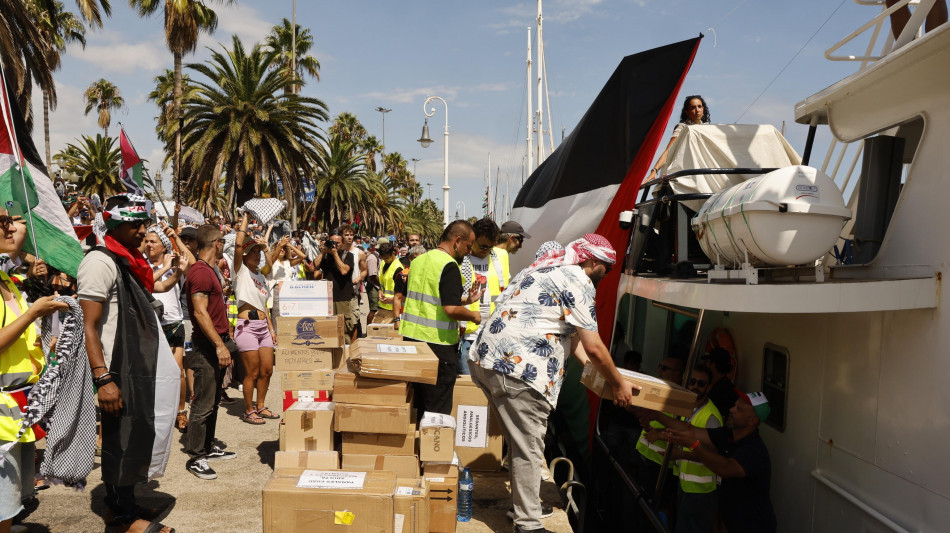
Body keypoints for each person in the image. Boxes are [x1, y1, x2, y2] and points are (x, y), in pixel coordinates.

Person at [468, 235, 636, 533]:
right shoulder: (577, 280)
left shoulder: (539, 270)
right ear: (593, 262)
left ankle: (524, 507)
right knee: (530, 448)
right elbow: (594, 347)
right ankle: (528, 525)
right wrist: (619, 384)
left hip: (484, 361)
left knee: (520, 442)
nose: (607, 274)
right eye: (607, 268)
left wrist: (599, 376)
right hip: (519, 370)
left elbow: (571, 342)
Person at [78, 195, 179, 533]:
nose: (142, 231)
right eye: (135, 225)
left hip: (136, 365)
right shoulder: (99, 262)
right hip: (114, 369)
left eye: (143, 224)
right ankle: (122, 517)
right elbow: (88, 325)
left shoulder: (127, 261)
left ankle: (127, 502)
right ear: (116, 226)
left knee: (134, 436)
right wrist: (103, 378)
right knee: (117, 441)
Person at [0, 212, 69, 533]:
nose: (13, 227)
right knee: (3, 505)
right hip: (2, 415)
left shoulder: (10, 281)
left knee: (11, 503)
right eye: (2, 222)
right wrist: (33, 314)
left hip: (17, 411)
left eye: (13, 219)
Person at [654, 392, 777, 533]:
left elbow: (725, 468)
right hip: (731, 522)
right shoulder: (728, 435)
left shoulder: (755, 451)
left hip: (754, 526)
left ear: (752, 421)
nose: (731, 409)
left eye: (739, 409)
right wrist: (656, 416)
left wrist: (694, 446)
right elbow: (693, 431)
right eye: (734, 405)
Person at [400, 220, 482, 415]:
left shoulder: (418, 261)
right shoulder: (450, 266)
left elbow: (418, 297)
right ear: (457, 241)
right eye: (468, 246)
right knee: (437, 411)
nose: (469, 251)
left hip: (412, 342)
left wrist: (464, 300)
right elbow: (450, 310)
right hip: (438, 348)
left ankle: (418, 444)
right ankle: (434, 445)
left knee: (417, 405)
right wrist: (473, 315)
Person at [184, 224, 239, 480]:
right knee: (203, 404)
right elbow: (199, 312)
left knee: (213, 400)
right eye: (223, 240)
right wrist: (218, 345)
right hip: (207, 346)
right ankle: (196, 456)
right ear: (217, 242)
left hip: (215, 343)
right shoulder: (201, 273)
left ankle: (207, 446)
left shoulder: (207, 271)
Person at [646, 366, 722, 533]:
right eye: (692, 382)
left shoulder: (711, 417)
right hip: (686, 484)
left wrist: (679, 454)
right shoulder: (688, 407)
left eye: (701, 383)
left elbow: (714, 456)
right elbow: (682, 434)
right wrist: (659, 433)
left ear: (709, 387)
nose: (695, 386)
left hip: (701, 491)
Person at [143, 224, 195, 433]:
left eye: (153, 241)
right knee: (151, 373)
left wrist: (175, 237)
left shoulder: (175, 265)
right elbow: (144, 283)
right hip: (149, 325)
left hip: (173, 323)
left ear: (164, 247)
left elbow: (192, 262)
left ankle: (180, 412)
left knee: (176, 372)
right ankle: (154, 412)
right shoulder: (142, 266)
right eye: (146, 241)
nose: (148, 245)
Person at [233, 214, 279, 425]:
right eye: (253, 252)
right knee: (251, 372)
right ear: (244, 255)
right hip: (247, 327)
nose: (257, 255)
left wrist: (271, 328)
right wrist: (245, 218)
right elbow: (238, 244)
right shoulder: (240, 271)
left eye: (258, 252)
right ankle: (249, 409)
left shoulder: (260, 275)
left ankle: (261, 406)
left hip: (263, 325)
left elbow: (264, 306)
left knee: (267, 370)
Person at [634, 356, 685, 524]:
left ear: (677, 374)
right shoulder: (657, 389)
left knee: (659, 511)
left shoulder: (681, 399)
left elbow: (684, 428)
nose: (659, 371)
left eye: (664, 368)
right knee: (640, 507)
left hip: (661, 464)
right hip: (643, 456)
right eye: (660, 366)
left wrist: (659, 434)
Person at [459, 218, 509, 375]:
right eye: (482, 246)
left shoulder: (501, 256)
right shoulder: (461, 259)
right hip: (467, 333)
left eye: (490, 246)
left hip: (494, 332)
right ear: (473, 238)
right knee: (467, 383)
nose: (486, 250)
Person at [649, 95, 711, 178]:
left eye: (699, 106)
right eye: (693, 107)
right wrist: (655, 170)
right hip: (685, 171)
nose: (697, 110)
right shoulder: (682, 127)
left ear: (703, 109)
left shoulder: (708, 129)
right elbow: (669, 150)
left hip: (702, 170)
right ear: (687, 112)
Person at [315, 229, 358, 342]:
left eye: (337, 243)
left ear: (342, 244)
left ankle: (348, 353)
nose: (334, 245)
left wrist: (334, 254)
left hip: (343, 298)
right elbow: (314, 266)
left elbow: (344, 271)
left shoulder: (348, 255)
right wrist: (323, 252)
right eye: (332, 242)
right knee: (329, 329)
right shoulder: (325, 255)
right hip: (327, 298)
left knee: (345, 329)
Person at [392, 244, 425, 330]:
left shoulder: (430, 274)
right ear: (410, 259)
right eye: (415, 258)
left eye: (421, 258)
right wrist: (396, 320)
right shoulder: (403, 275)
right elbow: (397, 298)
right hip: (406, 317)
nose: (418, 261)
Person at [705, 347, 739, 417]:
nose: (705, 365)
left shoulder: (722, 391)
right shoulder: (727, 387)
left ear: (713, 364)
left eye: (707, 362)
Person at [374, 241, 402, 324]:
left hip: (393, 308)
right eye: (383, 258)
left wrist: (392, 299)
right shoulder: (383, 263)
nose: (385, 260)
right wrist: (380, 291)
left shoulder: (398, 268)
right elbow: (382, 283)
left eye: (387, 258)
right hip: (383, 306)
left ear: (393, 253)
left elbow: (403, 291)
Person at [364, 238, 385, 325]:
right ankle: (369, 329)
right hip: (374, 286)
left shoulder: (380, 257)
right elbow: (372, 276)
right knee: (373, 309)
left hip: (378, 286)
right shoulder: (373, 258)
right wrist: (381, 285)